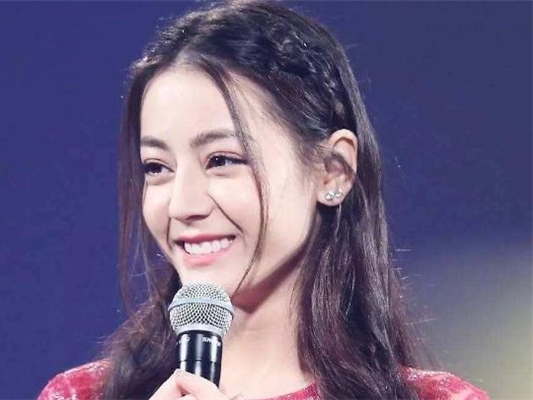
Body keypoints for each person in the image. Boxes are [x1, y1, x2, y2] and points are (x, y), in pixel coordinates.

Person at [38, 1, 489, 399]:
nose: (181, 205)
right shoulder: (80, 396)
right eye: (157, 167)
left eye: (222, 160)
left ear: (333, 169)